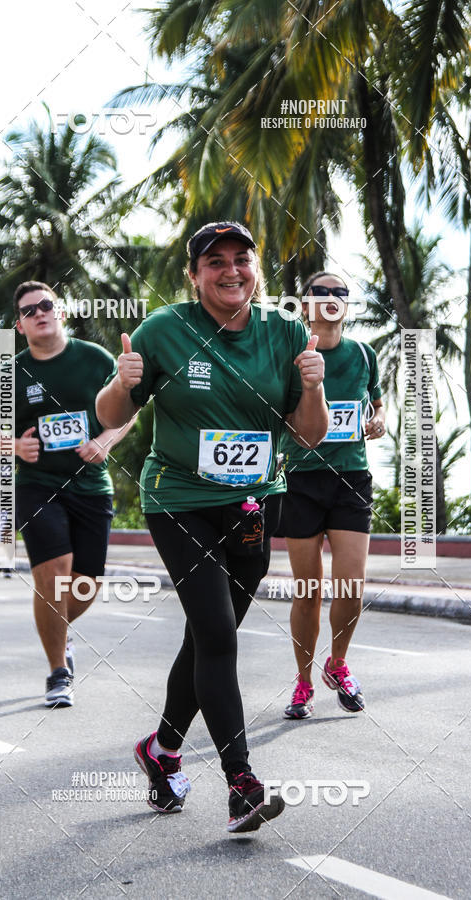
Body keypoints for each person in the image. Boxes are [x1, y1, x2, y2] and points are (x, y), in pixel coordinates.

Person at [96, 222, 328, 833]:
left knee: (207, 638)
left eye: (241, 260)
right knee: (219, 635)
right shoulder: (165, 331)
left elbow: (308, 434)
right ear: (194, 275)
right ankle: (241, 785)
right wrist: (120, 382)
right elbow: (114, 414)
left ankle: (163, 749)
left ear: (256, 269)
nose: (230, 271)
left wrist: (313, 387)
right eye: (215, 261)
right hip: (179, 500)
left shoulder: (286, 332)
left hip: (255, 504)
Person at [0, 281, 132, 708]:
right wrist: (15, 447)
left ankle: (58, 634)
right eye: (29, 311)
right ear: (20, 325)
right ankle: (57, 671)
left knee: (87, 585)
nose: (40, 313)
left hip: (90, 486)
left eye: (47, 305)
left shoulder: (94, 358)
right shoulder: (8, 370)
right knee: (54, 570)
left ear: (60, 312)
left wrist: (104, 442)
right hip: (37, 484)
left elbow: (128, 409)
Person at [278, 271, 386, 720]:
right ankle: (303, 683)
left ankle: (337, 663)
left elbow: (377, 405)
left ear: (347, 304)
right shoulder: (289, 354)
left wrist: (379, 421)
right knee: (308, 590)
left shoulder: (363, 354)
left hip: (350, 478)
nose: (329, 298)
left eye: (339, 293)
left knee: (351, 585)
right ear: (304, 305)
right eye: (319, 292)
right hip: (301, 480)